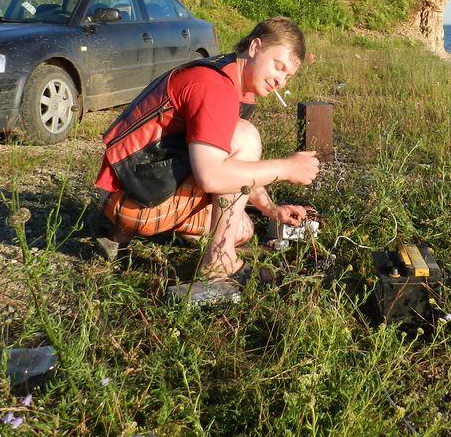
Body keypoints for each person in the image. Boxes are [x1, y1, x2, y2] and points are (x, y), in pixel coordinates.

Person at [93, 16, 320, 284]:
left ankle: (122, 234)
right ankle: (218, 264)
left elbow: (233, 165)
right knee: (245, 137)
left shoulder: (226, 73)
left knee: (241, 228)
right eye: (278, 66)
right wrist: (285, 168)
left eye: (288, 76)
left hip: (134, 185)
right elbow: (212, 176)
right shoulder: (214, 86)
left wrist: (271, 209)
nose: (281, 81)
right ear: (255, 47)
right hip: (132, 198)